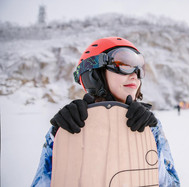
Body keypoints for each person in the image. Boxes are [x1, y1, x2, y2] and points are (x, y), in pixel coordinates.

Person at [31, 37, 180, 187]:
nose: (135, 74)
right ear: (95, 74)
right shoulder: (71, 123)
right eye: (124, 64)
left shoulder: (150, 126)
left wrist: (152, 144)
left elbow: (172, 184)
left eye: (139, 67)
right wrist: (56, 138)